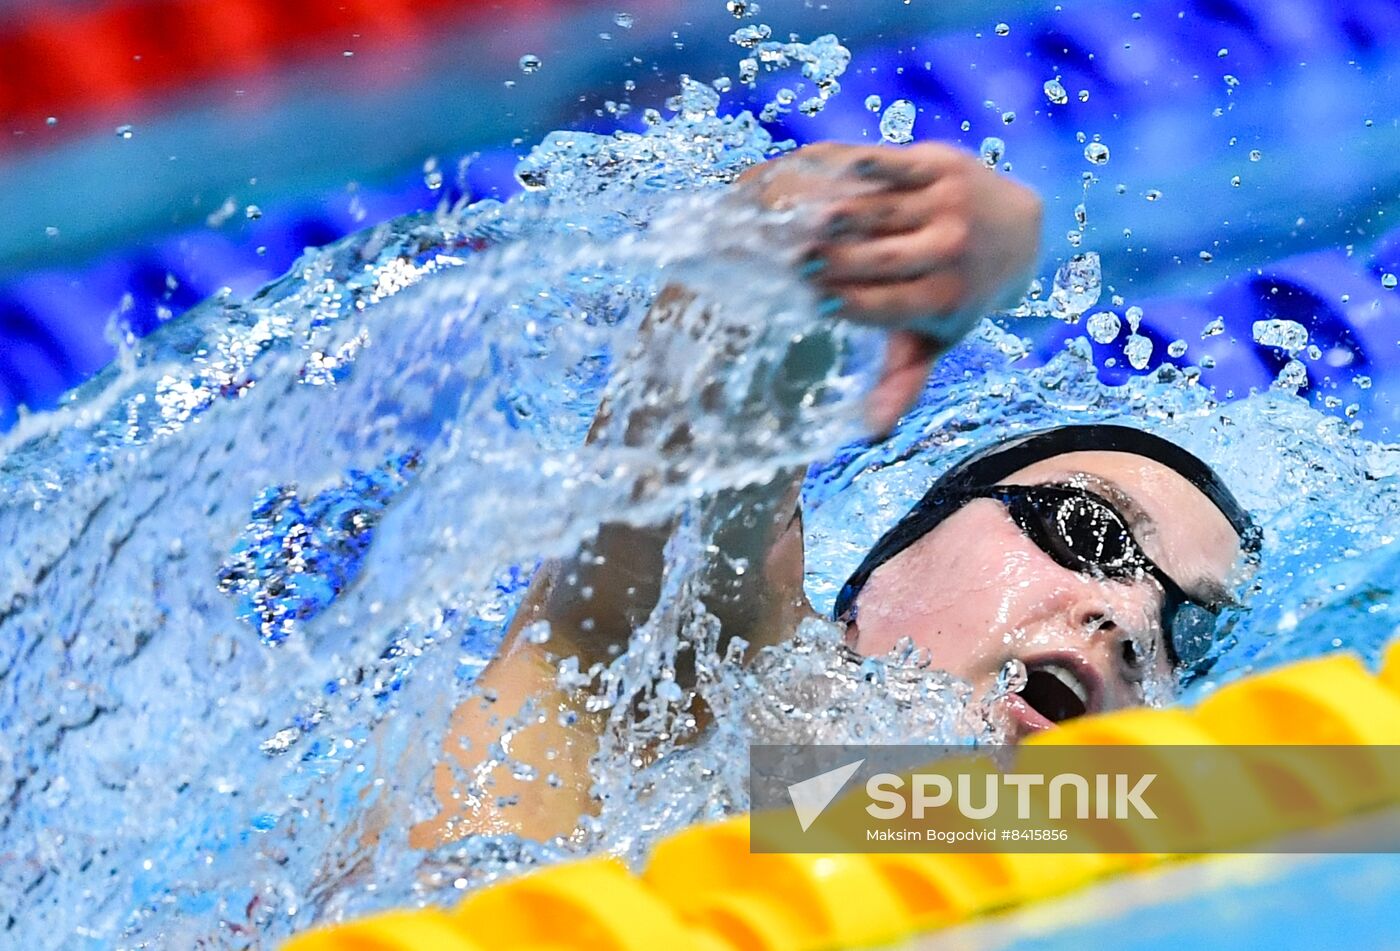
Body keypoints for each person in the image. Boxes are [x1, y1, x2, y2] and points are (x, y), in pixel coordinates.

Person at [407, 141, 1260, 847]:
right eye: (1091, 529)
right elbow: (742, 298)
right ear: (897, 554)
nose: (1132, 621)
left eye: (1188, 629)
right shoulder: (677, 686)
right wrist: (896, 219)